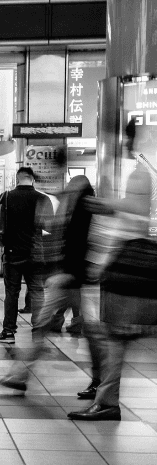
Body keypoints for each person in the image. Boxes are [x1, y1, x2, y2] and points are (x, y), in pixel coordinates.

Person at [68, 120, 154, 421]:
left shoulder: (142, 173)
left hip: (133, 262)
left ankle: (106, 402)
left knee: (113, 334)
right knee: (113, 335)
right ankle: (106, 399)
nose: (126, 144)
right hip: (129, 259)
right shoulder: (141, 171)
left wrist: (104, 204)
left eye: (129, 138)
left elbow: (136, 213)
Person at [0, 176, 93, 392]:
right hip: (65, 278)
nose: (69, 188)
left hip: (67, 279)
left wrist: (66, 273)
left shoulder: (82, 214)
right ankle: (20, 375)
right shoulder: (66, 208)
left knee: (42, 325)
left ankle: (19, 374)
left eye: (73, 187)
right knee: (45, 326)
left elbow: (76, 246)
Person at [0, 167, 53, 344]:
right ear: (32, 179)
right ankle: (38, 331)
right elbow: (49, 227)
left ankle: (9, 332)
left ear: (17, 178)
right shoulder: (43, 198)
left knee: (12, 293)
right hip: (35, 253)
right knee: (37, 292)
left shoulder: (6, 197)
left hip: (12, 253)